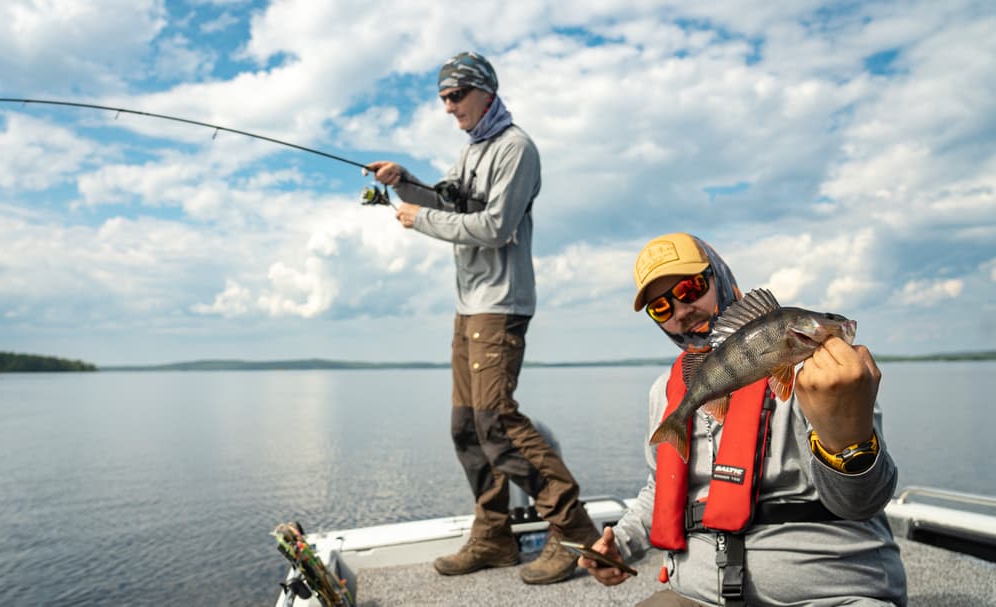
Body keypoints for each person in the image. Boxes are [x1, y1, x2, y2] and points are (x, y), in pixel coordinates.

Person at [365, 51, 599, 585]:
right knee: (466, 426)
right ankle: (493, 537)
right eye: (443, 99)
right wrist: (404, 182)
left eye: (456, 96)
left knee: (497, 422)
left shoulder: (516, 149)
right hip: (468, 306)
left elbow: (494, 227)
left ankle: (575, 533)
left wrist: (418, 218)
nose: (448, 108)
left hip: (500, 306)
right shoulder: (472, 152)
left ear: (484, 92)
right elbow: (448, 203)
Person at [579, 232, 907, 606]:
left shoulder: (822, 373)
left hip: (832, 596)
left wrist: (847, 436)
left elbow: (865, 500)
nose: (681, 310)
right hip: (699, 597)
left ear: (721, 276)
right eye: (661, 308)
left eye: (690, 288)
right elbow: (660, 488)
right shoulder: (667, 392)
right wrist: (620, 544)